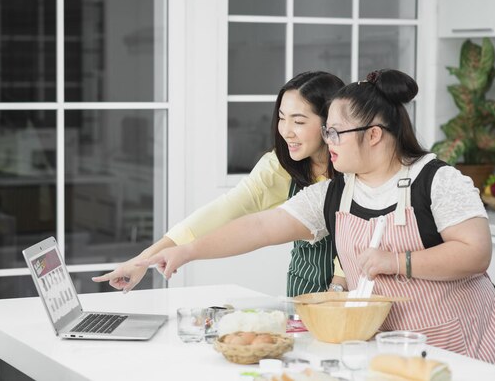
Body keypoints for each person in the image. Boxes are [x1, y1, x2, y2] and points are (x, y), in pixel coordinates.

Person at [144, 69, 495, 372]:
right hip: (393, 353)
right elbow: (261, 227)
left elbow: (476, 253)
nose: (328, 142)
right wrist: (187, 251)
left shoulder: (437, 180)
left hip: (466, 351)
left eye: (335, 132)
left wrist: (398, 262)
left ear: (374, 135)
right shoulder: (337, 192)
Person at [93, 71, 347, 296]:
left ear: (329, 124)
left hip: (350, 299)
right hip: (302, 295)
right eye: (282, 117)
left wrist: (337, 290)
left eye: (299, 121)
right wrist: (142, 260)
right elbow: (225, 211)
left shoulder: (353, 173)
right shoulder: (280, 166)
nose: (286, 130)